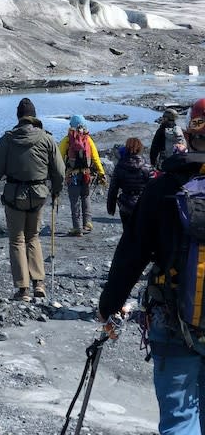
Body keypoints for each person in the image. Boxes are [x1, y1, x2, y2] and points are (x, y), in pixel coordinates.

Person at [99, 98, 205, 435]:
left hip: (173, 321)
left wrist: (109, 304)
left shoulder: (163, 187)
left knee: (179, 420)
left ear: (189, 135)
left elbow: (133, 251)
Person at [0, 97, 65, 301]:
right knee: (33, 237)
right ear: (34, 116)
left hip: (14, 196)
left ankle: (23, 289)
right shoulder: (47, 139)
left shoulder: (7, 139)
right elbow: (59, 170)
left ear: (19, 116)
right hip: (38, 195)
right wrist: (56, 190)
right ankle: (39, 283)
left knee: (17, 240)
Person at [59, 114, 106, 237]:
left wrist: (57, 174)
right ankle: (87, 223)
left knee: (74, 201)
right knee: (85, 197)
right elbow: (95, 158)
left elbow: (58, 158)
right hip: (86, 175)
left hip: (72, 175)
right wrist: (101, 173)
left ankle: (77, 228)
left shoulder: (67, 140)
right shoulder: (88, 139)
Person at [107, 137, 152, 230]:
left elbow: (113, 188)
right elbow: (154, 188)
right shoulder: (147, 167)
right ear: (140, 148)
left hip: (125, 204)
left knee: (127, 233)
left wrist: (111, 207)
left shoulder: (120, 166)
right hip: (142, 205)